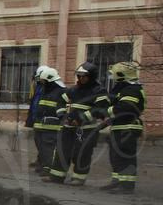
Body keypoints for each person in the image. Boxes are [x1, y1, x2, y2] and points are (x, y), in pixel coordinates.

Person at [47, 62, 110, 186]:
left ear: (91, 76)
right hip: (68, 127)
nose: (81, 79)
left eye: (84, 76)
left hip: (86, 129)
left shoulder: (99, 91)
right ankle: (56, 176)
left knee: (82, 153)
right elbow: (60, 101)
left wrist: (81, 119)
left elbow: (100, 109)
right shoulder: (74, 90)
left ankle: (79, 178)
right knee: (62, 151)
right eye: (79, 76)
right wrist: (62, 115)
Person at [103, 62, 145, 193]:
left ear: (122, 75)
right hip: (119, 127)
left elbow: (125, 108)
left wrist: (107, 111)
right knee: (115, 156)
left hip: (127, 127)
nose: (113, 78)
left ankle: (126, 185)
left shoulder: (132, 90)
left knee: (125, 156)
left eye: (115, 75)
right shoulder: (123, 89)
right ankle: (117, 181)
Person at [32, 67, 65, 174]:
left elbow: (63, 110)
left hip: (52, 126)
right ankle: (43, 165)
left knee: (49, 148)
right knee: (41, 147)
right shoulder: (45, 90)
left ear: (50, 80)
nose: (41, 83)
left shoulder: (62, 92)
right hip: (40, 125)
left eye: (43, 81)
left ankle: (48, 168)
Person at [25, 66, 51, 169]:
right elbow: (34, 102)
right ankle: (40, 160)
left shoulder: (48, 87)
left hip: (44, 120)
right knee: (38, 141)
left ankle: (44, 163)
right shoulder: (39, 86)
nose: (38, 79)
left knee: (44, 143)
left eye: (39, 77)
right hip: (37, 118)